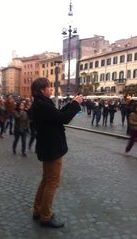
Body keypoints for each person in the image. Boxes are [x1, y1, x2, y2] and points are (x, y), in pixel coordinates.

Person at [31, 77, 82, 228]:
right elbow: (64, 118)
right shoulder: (43, 105)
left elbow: (57, 115)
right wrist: (75, 104)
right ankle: (45, 216)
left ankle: (37, 210)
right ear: (42, 90)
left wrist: (72, 103)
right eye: (48, 87)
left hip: (47, 147)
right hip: (52, 148)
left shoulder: (40, 103)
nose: (51, 89)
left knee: (46, 180)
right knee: (52, 182)